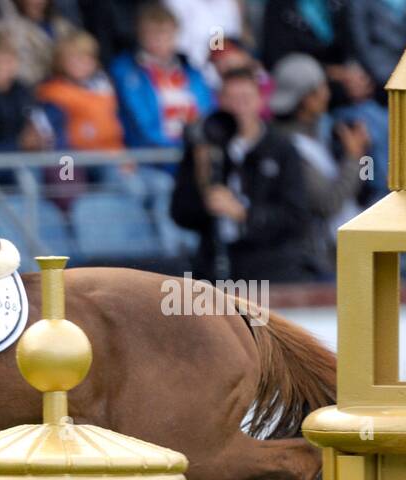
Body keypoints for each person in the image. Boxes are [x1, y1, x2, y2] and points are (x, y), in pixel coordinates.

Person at [170, 67, 317, 283]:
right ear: (219, 101)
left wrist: (244, 213)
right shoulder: (203, 147)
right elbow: (180, 213)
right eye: (230, 99)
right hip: (215, 268)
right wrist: (203, 182)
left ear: (260, 101)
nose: (238, 108)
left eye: (245, 99)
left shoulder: (282, 148)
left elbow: (296, 217)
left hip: (273, 269)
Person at [269, 54, 368, 277]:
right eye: (321, 88)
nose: (327, 93)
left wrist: (360, 158)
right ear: (306, 98)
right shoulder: (290, 146)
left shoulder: (321, 132)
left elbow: (360, 187)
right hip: (320, 259)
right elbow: (327, 203)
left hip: (340, 248)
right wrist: (355, 158)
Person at [109, 2, 212, 149]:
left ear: (176, 33)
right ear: (140, 34)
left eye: (164, 32)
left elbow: (207, 112)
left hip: (194, 152)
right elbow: (139, 123)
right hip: (150, 157)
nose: (158, 39)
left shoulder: (193, 72)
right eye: (151, 33)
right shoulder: (126, 71)